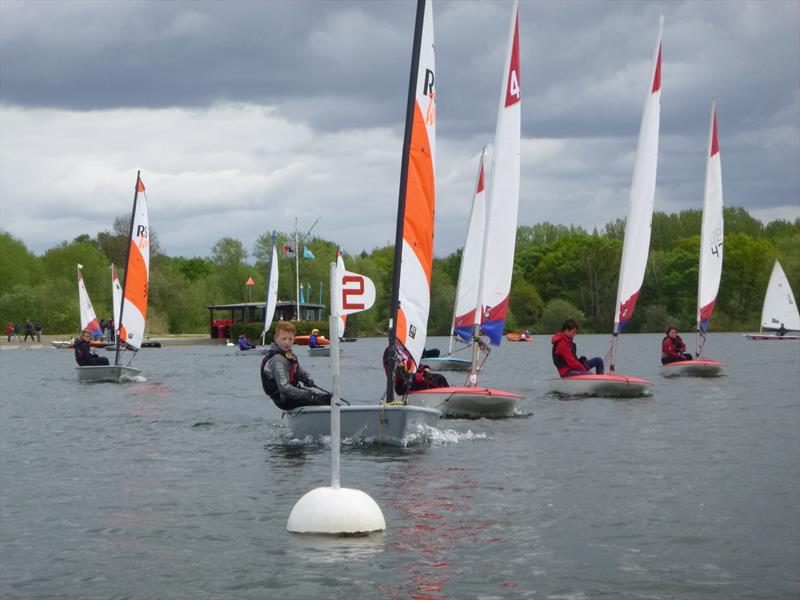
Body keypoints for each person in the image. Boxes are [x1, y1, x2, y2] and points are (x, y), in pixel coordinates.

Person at [260, 321, 331, 410]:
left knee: (327, 398)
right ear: (276, 339)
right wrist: (306, 395)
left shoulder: (289, 355)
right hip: (284, 399)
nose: (287, 342)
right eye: (283, 339)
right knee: (323, 400)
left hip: (291, 395)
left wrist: (306, 379)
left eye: (290, 339)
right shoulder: (277, 360)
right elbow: (284, 388)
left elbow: (298, 372)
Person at [383, 345, 449, 396]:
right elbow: (397, 374)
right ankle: (446, 398)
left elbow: (415, 364)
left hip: (414, 379)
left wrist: (424, 368)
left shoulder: (406, 349)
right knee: (436, 381)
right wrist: (418, 377)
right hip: (403, 384)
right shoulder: (390, 351)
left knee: (440, 378)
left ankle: (448, 396)